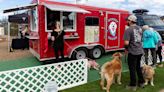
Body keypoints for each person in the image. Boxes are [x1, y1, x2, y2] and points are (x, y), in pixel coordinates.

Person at [124, 14, 145, 91]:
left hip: (133, 52)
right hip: (140, 51)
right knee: (138, 67)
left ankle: (133, 85)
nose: (127, 21)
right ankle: (141, 82)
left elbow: (126, 43)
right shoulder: (140, 28)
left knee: (132, 68)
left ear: (130, 21)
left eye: (128, 20)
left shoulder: (128, 30)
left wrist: (126, 48)